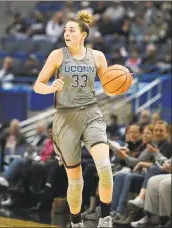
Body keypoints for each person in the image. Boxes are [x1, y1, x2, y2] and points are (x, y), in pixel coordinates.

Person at [33, 10, 117, 228]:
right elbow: (37, 85)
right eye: (65, 30)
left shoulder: (97, 56)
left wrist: (120, 85)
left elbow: (109, 88)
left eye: (71, 30)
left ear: (83, 35)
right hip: (65, 118)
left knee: (105, 167)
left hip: (91, 114)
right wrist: (51, 87)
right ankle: (76, 222)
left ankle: (106, 219)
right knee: (76, 181)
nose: (66, 33)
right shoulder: (57, 55)